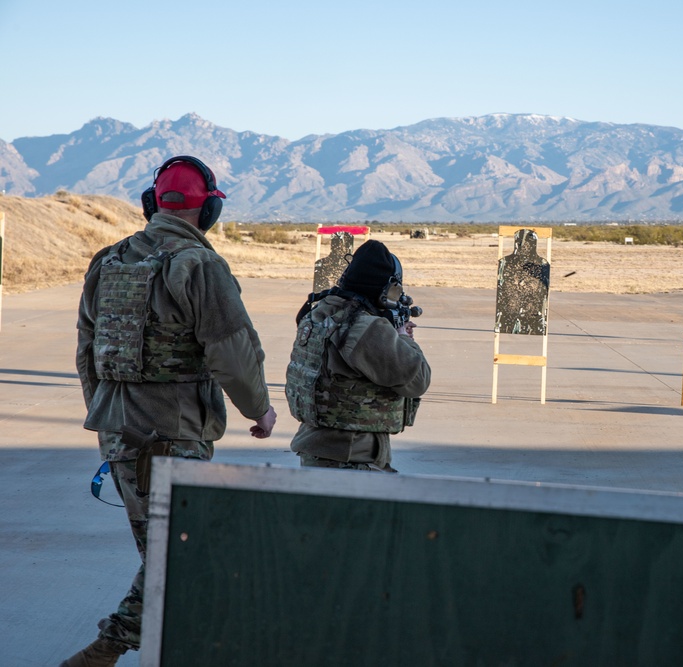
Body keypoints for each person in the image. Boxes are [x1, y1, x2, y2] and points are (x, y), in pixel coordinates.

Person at [64, 155, 277, 666]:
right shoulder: (200, 266)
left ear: (152, 204)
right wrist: (260, 410)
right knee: (178, 558)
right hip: (174, 437)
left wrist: (107, 414)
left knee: (167, 556)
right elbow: (232, 350)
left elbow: (87, 353)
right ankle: (106, 648)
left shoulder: (108, 261)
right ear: (208, 214)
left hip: (118, 439)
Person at [286, 240, 431, 472]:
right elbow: (416, 380)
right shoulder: (365, 327)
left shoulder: (321, 313)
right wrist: (403, 337)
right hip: (351, 457)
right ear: (385, 291)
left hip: (319, 448)